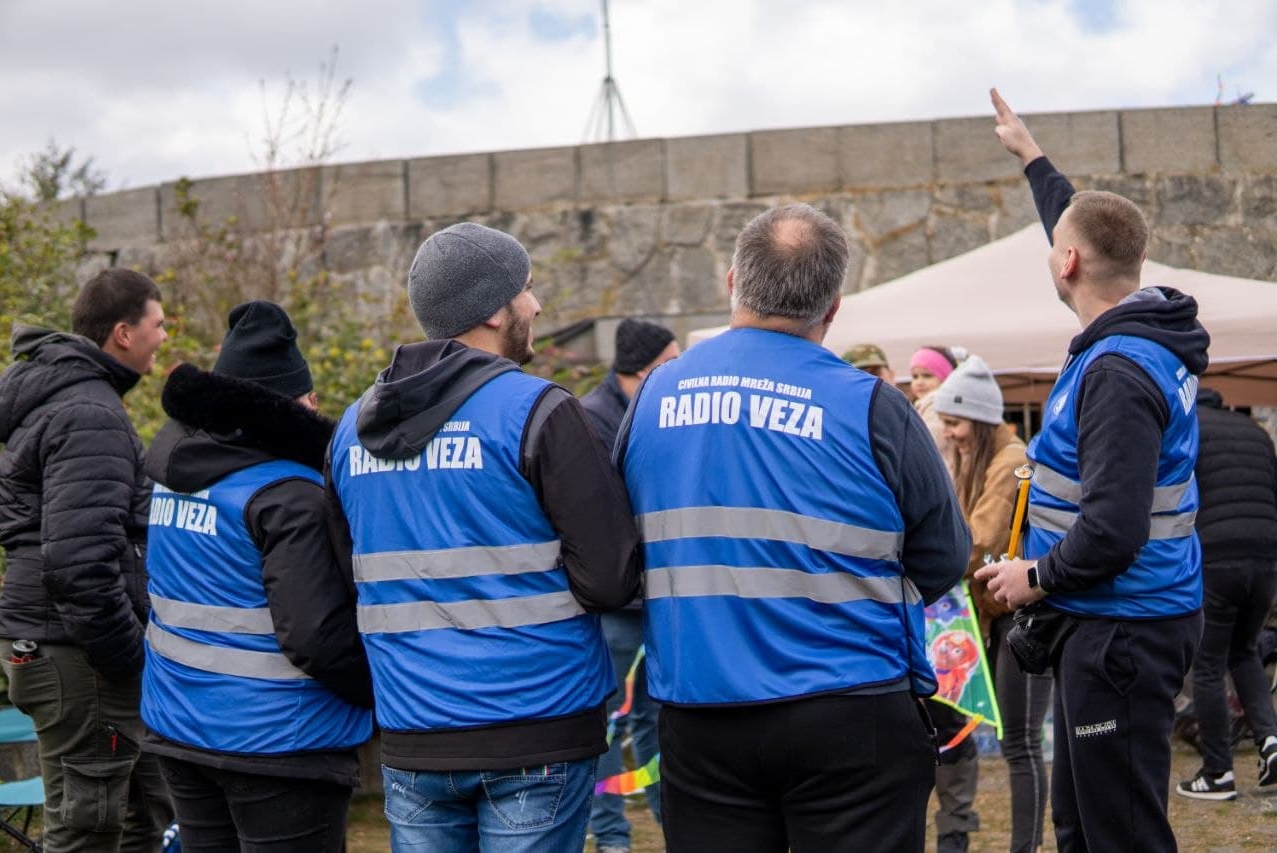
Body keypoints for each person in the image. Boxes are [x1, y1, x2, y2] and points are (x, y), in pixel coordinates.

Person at [616, 203, 971, 852]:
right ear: (833, 306)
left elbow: (615, 550)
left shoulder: (652, 398)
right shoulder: (873, 406)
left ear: (731, 282)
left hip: (701, 710)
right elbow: (944, 558)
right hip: (852, 707)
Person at [327, 222, 642, 852]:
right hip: (536, 727)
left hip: (413, 731)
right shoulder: (540, 410)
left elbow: (346, 575)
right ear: (495, 312)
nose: (537, 306)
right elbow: (609, 577)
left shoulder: (349, 433)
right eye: (527, 290)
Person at [977, 89, 1209, 852]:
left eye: (1056, 245)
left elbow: (1113, 527)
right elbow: (1077, 221)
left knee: (1121, 834)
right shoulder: (1148, 332)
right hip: (1119, 622)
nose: (1053, 248)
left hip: (1123, 630)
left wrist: (1032, 577)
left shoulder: (1116, 370)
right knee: (1080, 824)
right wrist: (1031, 156)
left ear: (1068, 263)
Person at [140, 300, 375, 851]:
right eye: (312, 400)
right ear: (296, 406)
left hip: (179, 728)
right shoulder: (292, 495)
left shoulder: (172, 476)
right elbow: (316, 636)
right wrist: (379, 691)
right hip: (279, 744)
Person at [0, 269, 174, 853]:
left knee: (135, 816)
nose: (164, 337)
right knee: (87, 827)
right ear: (123, 333)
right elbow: (78, 562)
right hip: (78, 649)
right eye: (158, 324)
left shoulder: (66, 402)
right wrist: (129, 656)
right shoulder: (90, 414)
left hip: (52, 638)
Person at [934, 355, 1050, 853]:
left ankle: (1025, 847)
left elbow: (976, 541)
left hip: (1025, 617)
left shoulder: (1011, 461)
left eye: (955, 423)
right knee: (1016, 743)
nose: (950, 434)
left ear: (979, 421)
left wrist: (927, 566)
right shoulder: (979, 459)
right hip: (1000, 615)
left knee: (1022, 743)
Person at [581, 317, 679, 853]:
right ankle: (613, 837)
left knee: (655, 721)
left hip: (657, 603)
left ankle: (675, 827)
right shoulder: (592, 419)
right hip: (619, 605)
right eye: (672, 360)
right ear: (644, 370)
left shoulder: (655, 411)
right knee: (608, 724)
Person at [1174, 387, 1277, 800]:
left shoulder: (1187, 430)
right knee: (1245, 651)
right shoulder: (1255, 431)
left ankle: (1218, 773)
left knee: (1209, 664)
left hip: (1217, 558)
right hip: (1266, 560)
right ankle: (1271, 742)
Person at [910, 345, 962, 472]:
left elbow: (927, 443)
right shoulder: (922, 405)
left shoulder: (936, 404)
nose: (919, 382)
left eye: (927, 376)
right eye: (915, 376)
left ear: (945, 377)